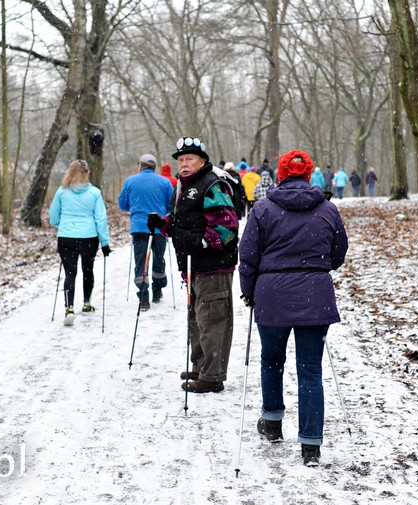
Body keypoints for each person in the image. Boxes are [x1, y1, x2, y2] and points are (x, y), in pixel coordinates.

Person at [238, 149, 347, 467]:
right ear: (309, 173)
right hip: (314, 292)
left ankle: (272, 423)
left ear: (281, 175)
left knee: (272, 359)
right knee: (310, 370)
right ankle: (310, 444)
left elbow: (248, 256)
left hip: (272, 293)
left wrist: (249, 293)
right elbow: (338, 252)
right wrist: (317, 265)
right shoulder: (327, 209)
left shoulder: (263, 208)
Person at [147, 136, 239, 394]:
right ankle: (200, 366)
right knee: (197, 318)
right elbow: (183, 226)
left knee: (212, 319)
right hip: (193, 266)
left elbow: (228, 228)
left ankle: (212, 376)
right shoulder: (184, 187)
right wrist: (163, 223)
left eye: (190, 159)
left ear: (203, 161)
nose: (184, 164)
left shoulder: (212, 185)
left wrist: (202, 243)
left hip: (213, 266)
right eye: (181, 160)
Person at [48, 160, 112, 326]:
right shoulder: (95, 193)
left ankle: (69, 308)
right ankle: (86, 303)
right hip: (89, 237)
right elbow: (101, 218)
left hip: (66, 237)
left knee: (70, 273)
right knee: (87, 269)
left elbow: (53, 214)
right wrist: (105, 242)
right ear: (87, 173)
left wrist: (60, 224)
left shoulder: (62, 192)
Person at [118, 154, 174, 310]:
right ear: (154, 167)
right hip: (159, 227)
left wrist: (136, 207)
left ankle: (143, 296)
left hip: (139, 227)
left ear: (141, 165)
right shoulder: (165, 182)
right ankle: (157, 290)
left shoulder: (130, 181)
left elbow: (123, 204)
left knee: (141, 260)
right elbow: (171, 205)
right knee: (158, 258)